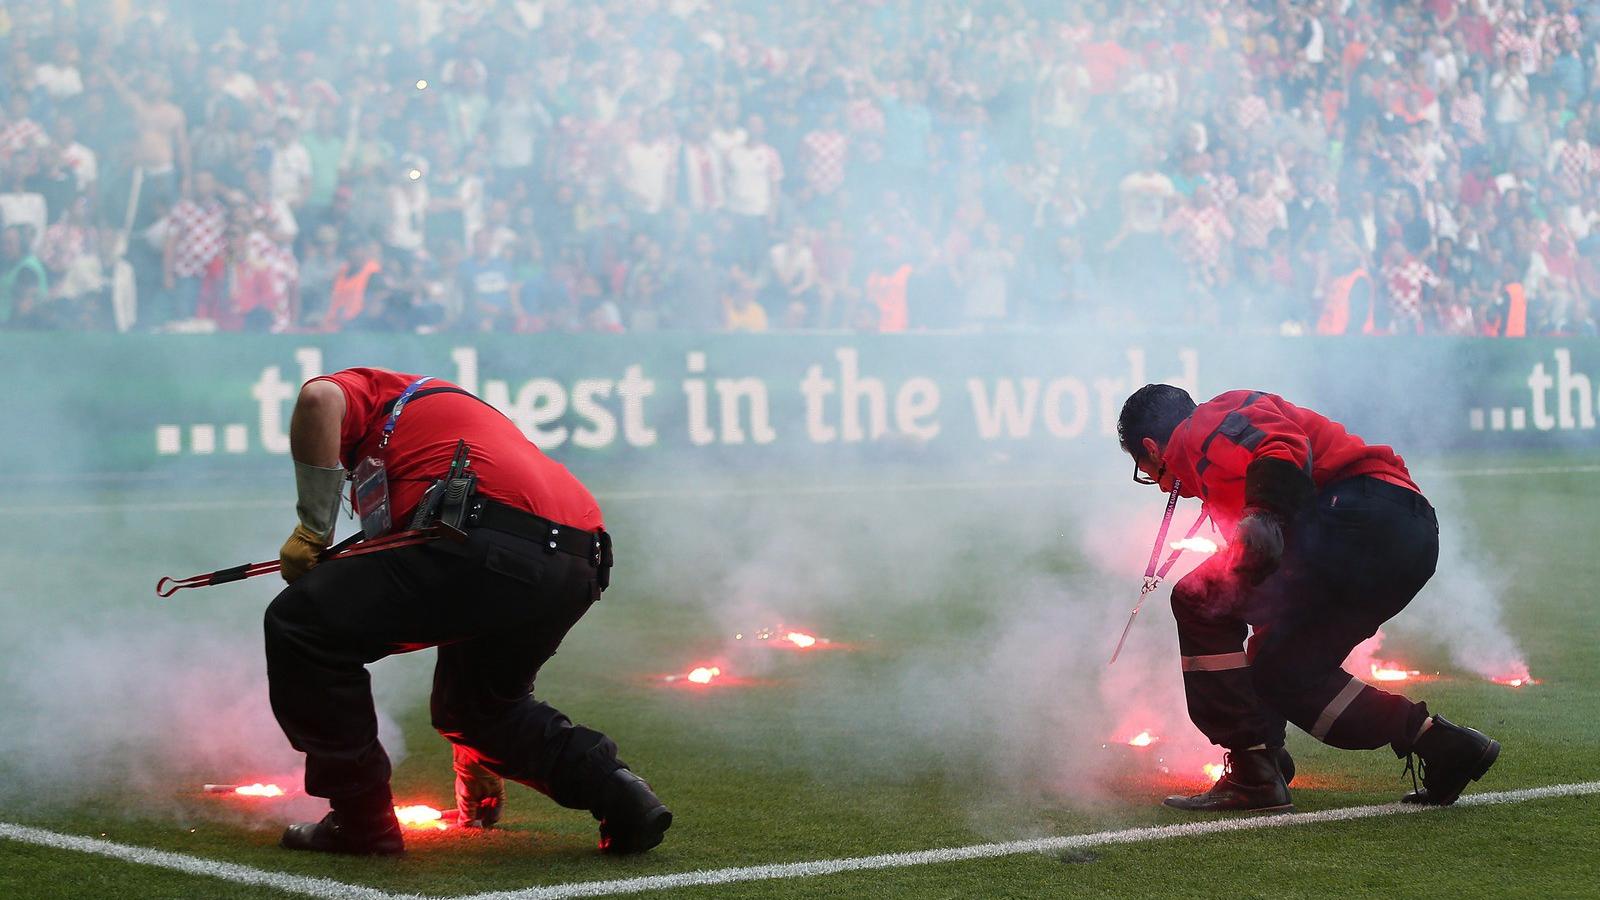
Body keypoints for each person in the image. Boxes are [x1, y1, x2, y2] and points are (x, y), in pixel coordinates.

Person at [265, 367, 671, 855]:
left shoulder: (375, 392)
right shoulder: (448, 424)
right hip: (577, 561)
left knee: (302, 626)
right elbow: (450, 603)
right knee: (478, 709)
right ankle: (623, 797)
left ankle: (361, 823)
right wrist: (473, 755)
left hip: (487, 537)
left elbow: (318, 400)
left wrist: (313, 527)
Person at [1116, 384, 1500, 813]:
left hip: (1359, 514)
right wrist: (1267, 730)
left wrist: (1262, 515)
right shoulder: (1220, 462)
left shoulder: (1202, 425)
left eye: (1145, 467)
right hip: (1406, 538)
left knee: (1196, 598)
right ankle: (1439, 742)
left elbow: (1281, 446)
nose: (1157, 481)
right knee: (1282, 671)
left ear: (1151, 447)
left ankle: (1253, 772)